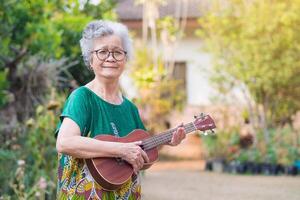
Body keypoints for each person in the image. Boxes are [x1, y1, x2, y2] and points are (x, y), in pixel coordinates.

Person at [55, 20, 186, 199]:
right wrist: (120, 149)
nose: (110, 58)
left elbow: (139, 160)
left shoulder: (130, 108)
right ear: (90, 59)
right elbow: (64, 143)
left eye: (117, 52)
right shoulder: (82, 98)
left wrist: (165, 142)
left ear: (125, 59)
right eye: (102, 52)